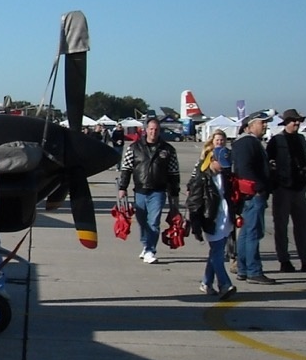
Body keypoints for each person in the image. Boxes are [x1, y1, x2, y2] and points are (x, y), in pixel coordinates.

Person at [265, 109, 306, 272]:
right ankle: (284, 261)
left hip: (299, 189)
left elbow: (305, 160)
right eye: (293, 121)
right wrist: (275, 181)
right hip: (283, 189)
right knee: (281, 226)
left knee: (305, 225)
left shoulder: (300, 139)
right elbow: (267, 163)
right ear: (286, 123)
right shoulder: (276, 141)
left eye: (298, 121)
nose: (297, 124)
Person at [116, 116, 180, 264]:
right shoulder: (134, 148)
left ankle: (151, 250)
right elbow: (126, 168)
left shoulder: (168, 150)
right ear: (145, 130)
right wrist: (122, 188)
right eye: (151, 129)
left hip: (158, 191)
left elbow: (173, 173)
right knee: (142, 221)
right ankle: (145, 244)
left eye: (156, 129)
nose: (153, 132)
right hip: (140, 191)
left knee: (154, 222)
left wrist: (174, 192)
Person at [186, 145, 237, 299]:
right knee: (217, 253)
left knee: (216, 252)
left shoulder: (224, 176)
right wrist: (196, 226)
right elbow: (193, 203)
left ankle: (206, 283)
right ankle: (224, 284)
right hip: (211, 219)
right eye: (220, 163)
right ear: (212, 160)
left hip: (225, 218)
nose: (223, 167)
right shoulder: (202, 178)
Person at [231, 113, 276, 284]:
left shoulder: (247, 142)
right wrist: (257, 188)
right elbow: (244, 168)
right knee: (253, 233)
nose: (264, 126)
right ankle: (253, 270)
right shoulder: (247, 143)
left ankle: (243, 269)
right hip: (252, 195)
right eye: (261, 123)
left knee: (246, 233)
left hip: (249, 194)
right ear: (249, 126)